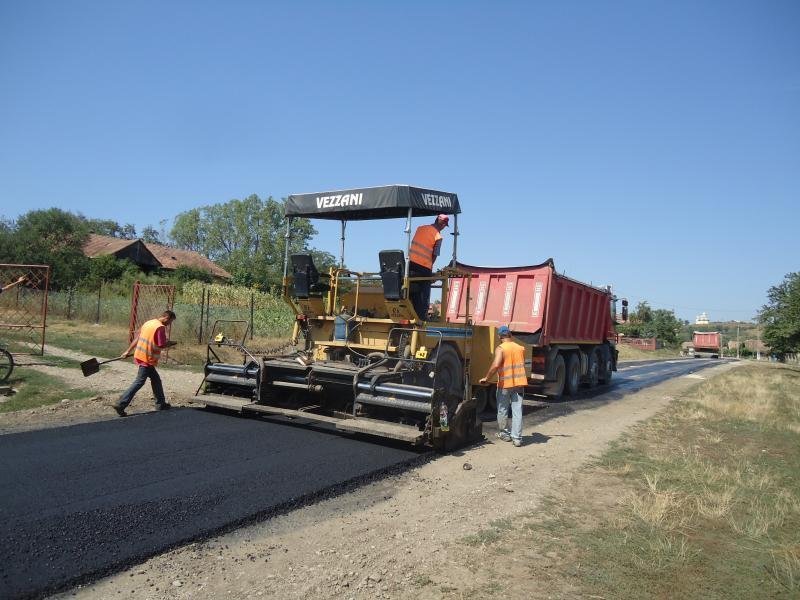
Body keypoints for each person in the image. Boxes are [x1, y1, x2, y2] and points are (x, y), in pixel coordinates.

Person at [113, 310, 177, 417]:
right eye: (170, 321)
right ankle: (121, 404)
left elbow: (137, 338)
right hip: (148, 358)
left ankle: (160, 404)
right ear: (166, 317)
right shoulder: (160, 327)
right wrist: (171, 343)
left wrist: (127, 351)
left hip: (140, 355)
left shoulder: (149, 323)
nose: (169, 324)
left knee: (156, 380)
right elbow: (161, 345)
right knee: (139, 382)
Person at [479, 325, 526, 447]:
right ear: (510, 335)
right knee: (517, 411)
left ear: (499, 336)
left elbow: (495, 365)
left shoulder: (501, 348)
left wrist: (486, 378)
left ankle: (505, 434)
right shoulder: (520, 348)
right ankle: (517, 438)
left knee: (503, 410)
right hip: (519, 384)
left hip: (505, 385)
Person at [408, 214, 449, 319]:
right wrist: (430, 268)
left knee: (410, 290)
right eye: (444, 225)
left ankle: (409, 314)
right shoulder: (438, 236)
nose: (444, 227)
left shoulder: (420, 228)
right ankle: (421, 318)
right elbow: (434, 255)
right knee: (423, 295)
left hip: (410, 265)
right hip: (424, 268)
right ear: (443, 224)